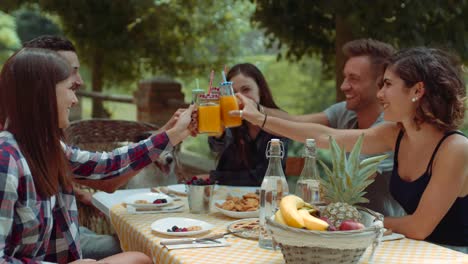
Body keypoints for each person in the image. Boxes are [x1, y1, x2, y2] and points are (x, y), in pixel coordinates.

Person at [236, 47, 467, 252]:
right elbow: (324, 137)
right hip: (415, 249)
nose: (380, 94)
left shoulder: (455, 149)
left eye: (387, 84)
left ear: (417, 91)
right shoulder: (394, 134)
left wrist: (359, 220)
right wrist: (259, 118)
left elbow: (418, 227)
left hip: (453, 253)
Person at [0, 48, 195, 262]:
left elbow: (108, 165)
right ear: (42, 95)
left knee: (139, 258)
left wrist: (174, 135)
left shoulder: (47, 147)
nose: (74, 99)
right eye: (69, 89)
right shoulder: (6, 159)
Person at [251, 39, 405, 217]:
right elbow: (295, 122)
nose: (343, 86)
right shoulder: (346, 111)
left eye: (353, 79)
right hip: (343, 222)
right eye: (345, 77)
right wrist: (254, 109)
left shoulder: (387, 129)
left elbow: (346, 184)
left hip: (384, 231)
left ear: (380, 83)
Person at [207, 63, 288, 186]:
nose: (239, 97)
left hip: (265, 197)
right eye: (233, 92)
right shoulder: (231, 119)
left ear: (260, 90)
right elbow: (215, 147)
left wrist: (217, 176)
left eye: (246, 89)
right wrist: (218, 132)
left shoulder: (277, 121)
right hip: (226, 197)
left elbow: (265, 177)